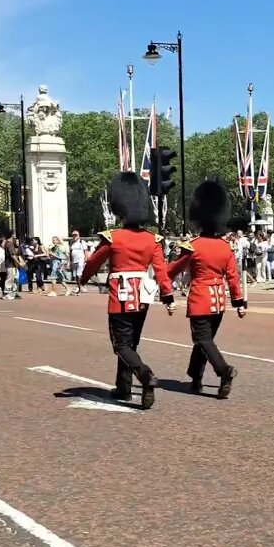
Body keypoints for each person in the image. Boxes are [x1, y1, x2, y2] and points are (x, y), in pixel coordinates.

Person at [78, 172, 176, 408]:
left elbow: (94, 262)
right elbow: (161, 271)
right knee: (130, 344)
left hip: (120, 295)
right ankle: (123, 387)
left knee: (121, 345)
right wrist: (168, 296)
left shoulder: (114, 238)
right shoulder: (152, 240)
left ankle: (145, 375)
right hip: (142, 296)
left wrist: (83, 278)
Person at [168, 180, 245, 398]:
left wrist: (159, 277)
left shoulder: (193, 246)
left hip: (200, 299)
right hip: (219, 301)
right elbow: (232, 277)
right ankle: (196, 377)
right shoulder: (225, 247)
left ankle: (224, 370)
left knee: (202, 340)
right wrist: (238, 303)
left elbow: (173, 270)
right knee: (204, 341)